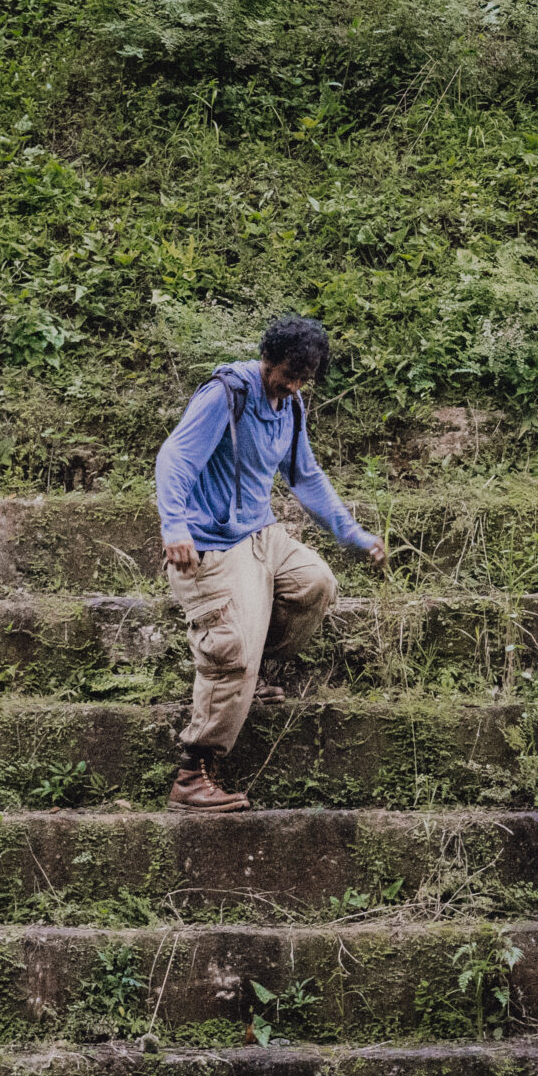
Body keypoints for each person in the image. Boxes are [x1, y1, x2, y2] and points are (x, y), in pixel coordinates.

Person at [153, 315, 386, 813]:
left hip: (260, 532)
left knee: (315, 584)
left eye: (304, 379)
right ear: (268, 359)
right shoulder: (226, 395)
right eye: (288, 375)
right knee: (231, 644)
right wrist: (174, 526)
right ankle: (194, 775)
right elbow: (175, 457)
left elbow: (305, 476)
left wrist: (352, 533)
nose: (294, 386)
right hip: (211, 540)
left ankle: (255, 679)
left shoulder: (291, 404)